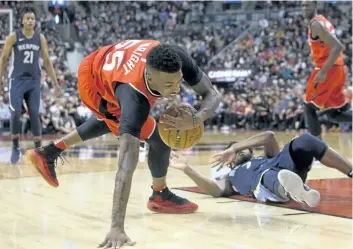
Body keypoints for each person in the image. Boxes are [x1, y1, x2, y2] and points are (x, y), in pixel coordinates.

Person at [26, 40, 220, 248]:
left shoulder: (177, 57)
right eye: (168, 85)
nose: (175, 91)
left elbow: (212, 94)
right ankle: (160, 195)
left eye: (178, 82)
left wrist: (196, 119)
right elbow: (125, 166)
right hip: (93, 80)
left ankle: (50, 152)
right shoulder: (134, 98)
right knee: (153, 137)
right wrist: (116, 227)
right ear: (150, 76)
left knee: (138, 130)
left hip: (113, 62)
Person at [170, 132, 352, 208]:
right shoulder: (231, 177)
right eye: (235, 149)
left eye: (242, 147)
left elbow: (269, 136)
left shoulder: (267, 156)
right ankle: (294, 191)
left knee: (305, 140)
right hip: (265, 183)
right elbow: (215, 190)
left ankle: (351, 171)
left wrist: (234, 148)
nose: (240, 149)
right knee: (268, 177)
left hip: (284, 166)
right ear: (229, 162)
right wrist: (188, 169)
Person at [0, 6, 60, 164]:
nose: (30, 21)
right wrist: (0, 80)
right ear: (22, 20)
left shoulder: (40, 38)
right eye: (27, 18)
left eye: (32, 18)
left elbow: (47, 61)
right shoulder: (13, 37)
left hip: (33, 81)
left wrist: (55, 82)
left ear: (35, 21)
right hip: (17, 81)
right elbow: (4, 59)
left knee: (35, 113)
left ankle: (39, 150)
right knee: (16, 113)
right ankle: (14, 147)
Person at [301, 0, 352, 139]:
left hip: (329, 69)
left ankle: (318, 151)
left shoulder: (315, 24)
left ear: (315, 5)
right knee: (333, 113)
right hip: (338, 69)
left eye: (307, 5)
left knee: (309, 107)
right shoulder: (323, 20)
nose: (304, 8)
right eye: (302, 5)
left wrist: (323, 71)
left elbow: (337, 46)